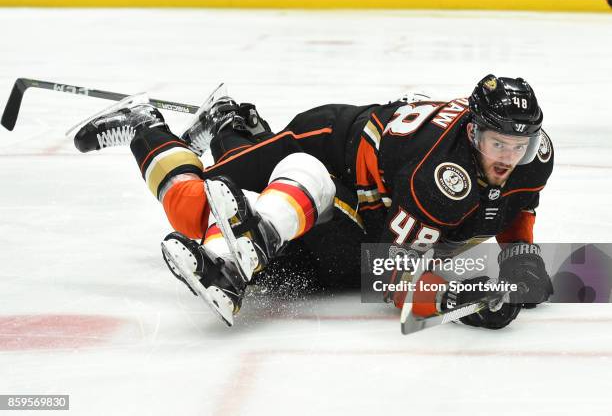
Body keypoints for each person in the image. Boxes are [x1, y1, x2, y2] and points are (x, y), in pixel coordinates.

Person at [73, 74, 554, 328]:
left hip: (375, 202)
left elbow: (518, 203)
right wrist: (460, 299)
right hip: (331, 142)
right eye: (498, 144)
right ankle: (145, 126)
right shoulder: (438, 174)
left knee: (294, 217)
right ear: (472, 132)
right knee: (193, 208)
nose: (509, 158)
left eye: (520, 146)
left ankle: (228, 127)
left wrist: (521, 257)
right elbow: (391, 273)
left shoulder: (532, 156)